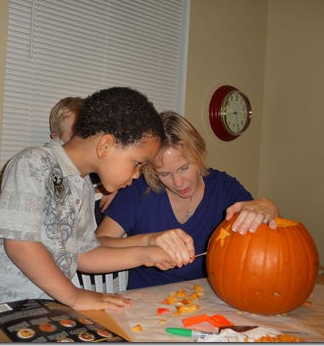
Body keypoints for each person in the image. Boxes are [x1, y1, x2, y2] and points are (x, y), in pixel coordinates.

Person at [0, 87, 187, 323]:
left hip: (38, 312)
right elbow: (20, 245)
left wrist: (146, 255)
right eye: (137, 163)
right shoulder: (34, 162)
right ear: (105, 146)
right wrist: (75, 296)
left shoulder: (82, 186)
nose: (137, 175)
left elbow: (84, 254)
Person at [95, 110, 278, 290]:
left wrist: (266, 207)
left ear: (198, 155)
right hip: (145, 299)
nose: (178, 182)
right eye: (164, 174)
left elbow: (269, 238)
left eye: (184, 168)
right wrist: (148, 240)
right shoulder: (138, 191)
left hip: (207, 297)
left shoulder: (223, 187)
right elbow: (98, 243)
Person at [0, 96, 117, 216]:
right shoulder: (38, 165)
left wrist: (115, 190)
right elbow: (34, 211)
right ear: (55, 137)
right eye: (75, 134)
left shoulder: (95, 173)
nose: (82, 140)